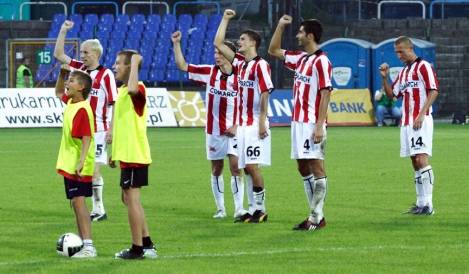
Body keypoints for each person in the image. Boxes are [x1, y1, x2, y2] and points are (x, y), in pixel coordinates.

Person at [171, 31, 247, 220]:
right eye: (216, 53)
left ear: (231, 54)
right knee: (216, 169)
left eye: (221, 53)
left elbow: (247, 104)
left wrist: (237, 125)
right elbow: (182, 65)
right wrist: (177, 43)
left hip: (235, 131)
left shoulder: (241, 76)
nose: (217, 56)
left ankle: (239, 208)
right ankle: (221, 209)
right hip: (214, 131)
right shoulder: (209, 72)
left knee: (236, 167)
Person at [269, 15, 332, 230]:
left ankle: (316, 217)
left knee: (315, 165)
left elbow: (325, 94)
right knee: (302, 166)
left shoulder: (322, 61)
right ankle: (315, 214)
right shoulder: (301, 59)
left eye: (300, 32)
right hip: (298, 122)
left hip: (311, 122)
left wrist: (319, 125)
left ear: (310, 35)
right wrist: (280, 26)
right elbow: (273, 50)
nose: (297, 35)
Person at [54, 20, 118, 222]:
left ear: (96, 54)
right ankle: (95, 207)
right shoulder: (79, 70)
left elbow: (114, 103)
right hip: (80, 129)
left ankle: (99, 208)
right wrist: (63, 31)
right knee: (84, 169)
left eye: (86, 52)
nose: (82, 56)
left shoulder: (106, 74)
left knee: (94, 168)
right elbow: (58, 55)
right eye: (81, 52)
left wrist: (112, 130)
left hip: (98, 129)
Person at [214, 9, 274, 223]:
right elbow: (219, 42)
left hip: (255, 123)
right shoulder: (240, 63)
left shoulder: (261, 65)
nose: (239, 42)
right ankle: (252, 209)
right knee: (245, 166)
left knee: (252, 166)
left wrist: (261, 122)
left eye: (242, 39)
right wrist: (225, 19)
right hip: (242, 124)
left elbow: (265, 92)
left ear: (253, 43)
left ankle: (261, 208)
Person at [379, 36, 439, 215]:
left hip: (421, 119)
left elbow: (433, 91)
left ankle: (429, 204)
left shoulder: (424, 66)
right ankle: (421, 203)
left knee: (421, 158)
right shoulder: (404, 72)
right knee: (414, 161)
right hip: (407, 122)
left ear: (410, 48)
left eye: (401, 51)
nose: (398, 55)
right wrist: (385, 77)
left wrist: (421, 115)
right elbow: (392, 95)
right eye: (396, 52)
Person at [111, 50, 157, 259]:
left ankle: (137, 248)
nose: (114, 67)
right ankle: (146, 243)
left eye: (119, 63)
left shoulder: (137, 88)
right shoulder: (122, 90)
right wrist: (114, 153)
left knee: (132, 199)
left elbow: (133, 88)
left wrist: (136, 62)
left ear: (130, 68)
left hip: (135, 154)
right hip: (127, 154)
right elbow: (122, 124)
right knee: (127, 198)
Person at [55, 68, 97, 258]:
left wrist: (81, 162)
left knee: (79, 203)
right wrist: (62, 75)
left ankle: (89, 246)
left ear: (81, 87)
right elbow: (57, 93)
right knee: (75, 202)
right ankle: (82, 243)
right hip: (70, 163)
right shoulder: (72, 102)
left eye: (71, 81)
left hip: (78, 164)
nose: (67, 83)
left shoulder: (81, 109)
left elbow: (87, 137)